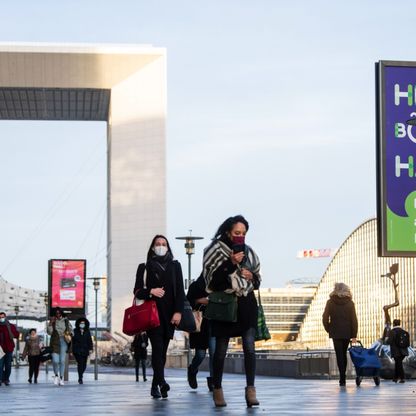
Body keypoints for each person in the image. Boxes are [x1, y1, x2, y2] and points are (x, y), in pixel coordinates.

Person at [203, 215, 261, 408]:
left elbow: (258, 281)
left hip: (246, 304)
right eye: (237, 233)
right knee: (220, 351)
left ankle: (251, 389)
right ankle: (217, 389)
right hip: (225, 305)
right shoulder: (214, 250)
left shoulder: (249, 252)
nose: (240, 237)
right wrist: (230, 263)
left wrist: (251, 275)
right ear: (228, 231)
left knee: (250, 347)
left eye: (243, 233)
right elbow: (212, 282)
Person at [133, 234, 185, 399]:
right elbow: (137, 291)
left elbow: (180, 292)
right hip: (152, 315)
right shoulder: (144, 267)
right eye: (158, 244)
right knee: (157, 349)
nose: (161, 246)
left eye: (164, 244)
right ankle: (162, 383)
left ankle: (155, 385)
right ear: (152, 247)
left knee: (162, 353)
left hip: (170, 316)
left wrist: (178, 312)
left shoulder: (175, 266)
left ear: (168, 247)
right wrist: (151, 291)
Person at [322, 282, 358, 386]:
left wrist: (328, 328)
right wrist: (354, 335)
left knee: (339, 354)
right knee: (344, 353)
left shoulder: (330, 302)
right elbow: (354, 320)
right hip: (347, 332)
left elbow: (325, 318)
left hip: (335, 332)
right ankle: (343, 376)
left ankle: (342, 378)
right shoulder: (350, 303)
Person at [187, 273, 216, 392]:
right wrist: (200, 301)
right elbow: (187, 302)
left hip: (214, 323)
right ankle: (192, 370)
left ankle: (213, 381)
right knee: (200, 355)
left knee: (214, 354)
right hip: (200, 325)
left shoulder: (218, 286)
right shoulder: (195, 286)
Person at [47, 307, 72, 386]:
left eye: (59, 313)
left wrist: (69, 333)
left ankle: (61, 378)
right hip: (55, 342)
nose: (58, 314)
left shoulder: (66, 320)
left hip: (64, 341)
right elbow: (50, 332)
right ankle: (56, 376)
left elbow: (71, 329)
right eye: (56, 313)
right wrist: (51, 323)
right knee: (55, 360)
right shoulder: (53, 321)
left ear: (61, 313)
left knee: (62, 361)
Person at [385, 318, 409, 383]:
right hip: (404, 351)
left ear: (394, 324)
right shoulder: (403, 331)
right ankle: (395, 378)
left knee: (399, 364)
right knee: (398, 364)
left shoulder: (392, 332)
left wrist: (386, 339)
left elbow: (389, 342)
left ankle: (402, 378)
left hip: (396, 352)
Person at [71, 317, 93, 384]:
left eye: (83, 323)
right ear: (78, 324)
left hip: (85, 350)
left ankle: (81, 374)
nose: (82, 324)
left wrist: (90, 349)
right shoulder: (74, 331)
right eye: (81, 323)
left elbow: (89, 340)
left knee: (84, 365)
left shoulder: (87, 331)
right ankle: (80, 378)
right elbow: (72, 340)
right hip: (77, 350)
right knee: (80, 363)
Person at [0, 311, 19, 386]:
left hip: (9, 348)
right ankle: (0, 379)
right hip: (0, 349)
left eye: (3, 317)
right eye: (0, 317)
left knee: (8, 365)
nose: (1, 318)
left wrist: (14, 332)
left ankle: (6, 379)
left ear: (5, 317)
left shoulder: (11, 326)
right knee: (0, 365)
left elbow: (16, 335)